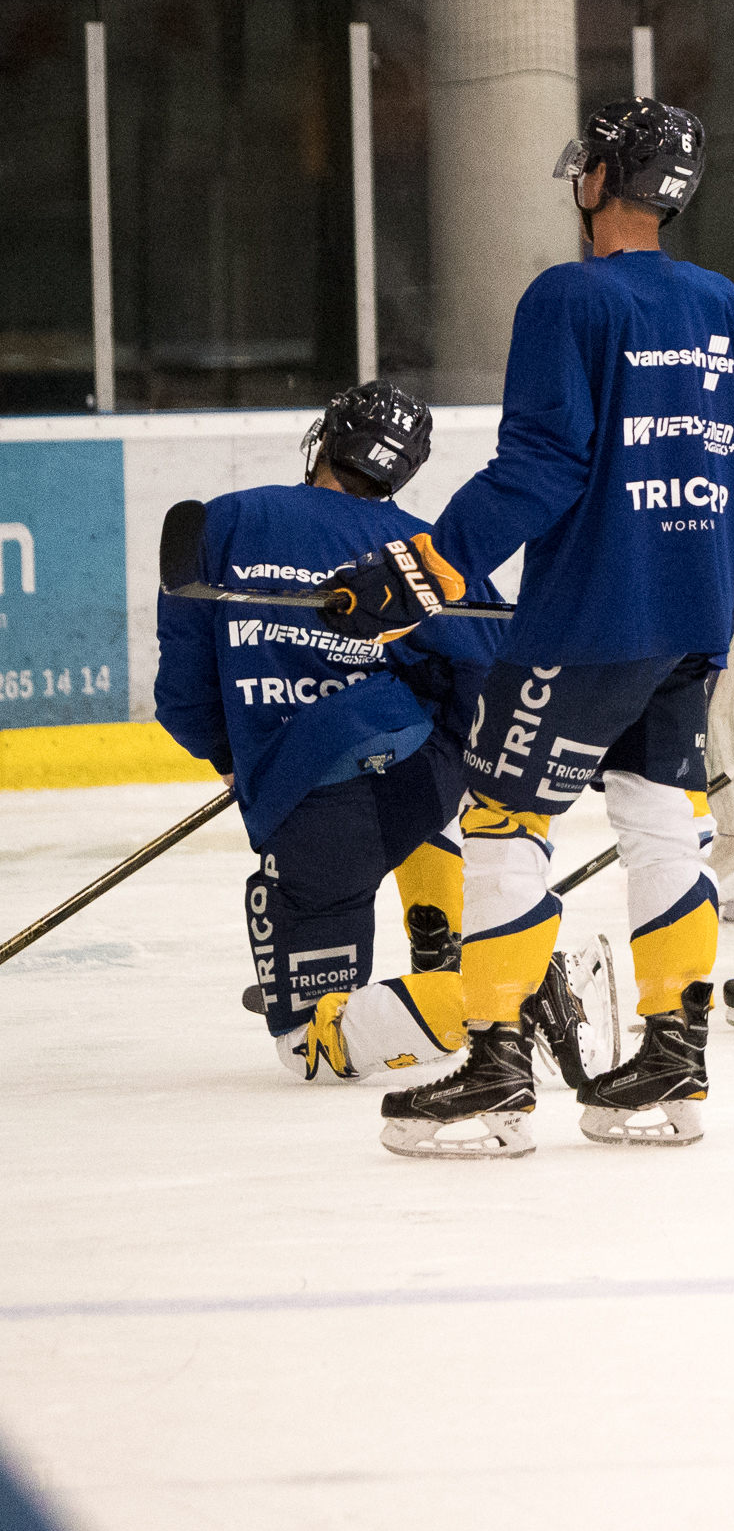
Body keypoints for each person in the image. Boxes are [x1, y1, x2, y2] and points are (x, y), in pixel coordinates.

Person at [319, 99, 734, 1158]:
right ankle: (673, 1063)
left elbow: (545, 463)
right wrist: (722, 568)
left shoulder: (567, 297)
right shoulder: (720, 303)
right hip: (687, 623)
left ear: (599, 178)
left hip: (587, 623)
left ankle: (494, 1075)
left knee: (501, 821)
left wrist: (427, 567)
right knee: (660, 818)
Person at [154, 382, 534, 1085]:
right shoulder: (425, 551)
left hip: (311, 807)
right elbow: (490, 669)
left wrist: (232, 756)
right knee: (415, 723)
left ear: (324, 439)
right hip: (413, 780)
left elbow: (182, 695)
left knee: (310, 1044)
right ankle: (445, 942)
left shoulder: (225, 523)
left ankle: (516, 996)